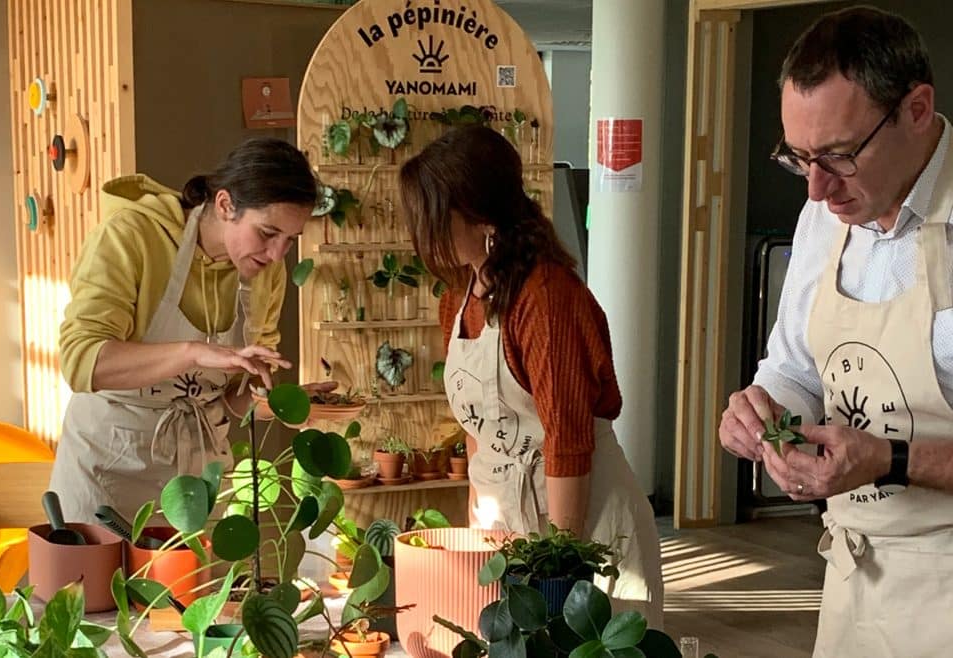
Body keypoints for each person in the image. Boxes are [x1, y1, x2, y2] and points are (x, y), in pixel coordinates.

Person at [718, 6, 953, 656]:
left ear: (917, 109)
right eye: (799, 159)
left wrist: (889, 459)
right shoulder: (824, 218)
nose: (817, 190)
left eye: (840, 156)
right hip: (853, 578)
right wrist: (764, 413)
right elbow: (794, 367)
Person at [399, 125, 663, 625]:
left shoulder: (546, 298)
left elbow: (567, 440)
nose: (422, 235)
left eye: (432, 217)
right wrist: (481, 530)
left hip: (584, 525)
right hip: (509, 530)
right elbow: (478, 431)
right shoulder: (458, 299)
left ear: (481, 216)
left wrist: (561, 567)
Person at [51, 137, 334, 523]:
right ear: (225, 204)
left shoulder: (267, 273)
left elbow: (233, 400)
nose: (275, 255)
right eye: (267, 233)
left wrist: (285, 403)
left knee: (193, 567)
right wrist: (193, 353)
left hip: (196, 480)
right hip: (107, 471)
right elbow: (83, 362)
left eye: (289, 241)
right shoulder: (131, 236)